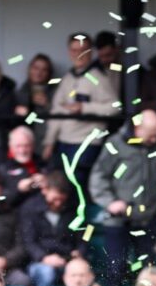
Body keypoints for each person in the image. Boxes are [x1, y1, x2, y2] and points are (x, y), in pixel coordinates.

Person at [89, 109, 156, 285]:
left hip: (148, 215)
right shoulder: (115, 144)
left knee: (149, 268)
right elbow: (98, 176)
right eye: (151, 136)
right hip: (118, 217)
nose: (155, 140)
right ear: (138, 128)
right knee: (116, 269)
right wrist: (109, 202)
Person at [44, 32, 121, 191]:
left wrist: (85, 108)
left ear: (91, 51)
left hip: (87, 143)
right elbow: (56, 112)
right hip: (64, 142)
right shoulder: (67, 78)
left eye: (83, 50)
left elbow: (115, 107)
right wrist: (49, 142)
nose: (78, 54)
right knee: (62, 186)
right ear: (68, 51)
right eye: (74, 50)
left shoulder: (98, 77)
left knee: (79, 187)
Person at [17, 176, 82, 286]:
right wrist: (44, 258)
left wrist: (80, 251)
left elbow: (85, 232)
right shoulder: (30, 208)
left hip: (66, 258)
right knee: (47, 272)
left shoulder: (73, 209)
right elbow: (28, 241)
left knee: (81, 271)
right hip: (39, 260)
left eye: (61, 200)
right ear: (45, 190)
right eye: (54, 199)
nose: (57, 203)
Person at [0, 126, 46, 209]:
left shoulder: (42, 164)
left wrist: (47, 182)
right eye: (18, 146)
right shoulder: (1, 167)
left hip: (38, 213)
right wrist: (18, 190)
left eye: (26, 146)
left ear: (33, 145)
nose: (22, 151)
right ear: (10, 146)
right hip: (12, 214)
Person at [13, 53, 55, 150]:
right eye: (36, 68)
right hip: (24, 143)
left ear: (49, 73)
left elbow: (60, 115)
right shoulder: (21, 92)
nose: (39, 73)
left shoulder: (55, 92)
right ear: (30, 69)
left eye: (44, 70)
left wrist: (47, 105)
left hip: (47, 142)